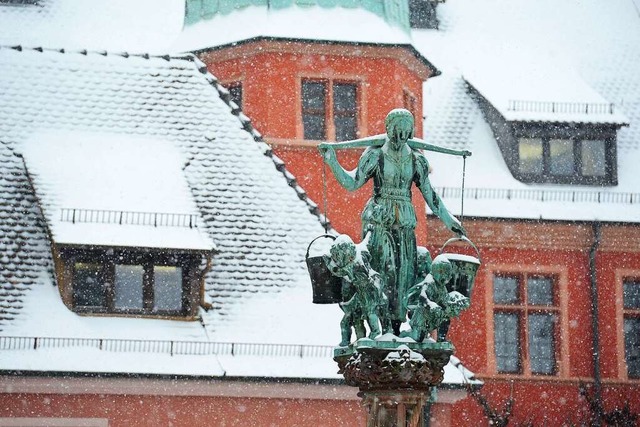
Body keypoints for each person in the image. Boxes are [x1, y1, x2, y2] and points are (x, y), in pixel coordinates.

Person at [319, 108, 466, 334]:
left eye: (405, 132)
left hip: (405, 221)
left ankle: (397, 325)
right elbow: (352, 183)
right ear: (388, 130)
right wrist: (332, 162)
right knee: (384, 270)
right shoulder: (375, 156)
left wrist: (449, 220)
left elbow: (430, 195)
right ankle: (382, 322)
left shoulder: (416, 160)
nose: (401, 137)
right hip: (380, 220)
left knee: (403, 275)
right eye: (397, 131)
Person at [324, 235, 389, 346]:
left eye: (339, 254)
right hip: (360, 292)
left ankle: (375, 331)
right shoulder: (355, 258)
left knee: (370, 311)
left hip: (367, 291)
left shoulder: (355, 264)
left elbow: (340, 271)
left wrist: (329, 263)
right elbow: (365, 242)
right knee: (351, 319)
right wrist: (369, 233)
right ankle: (350, 340)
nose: (339, 258)